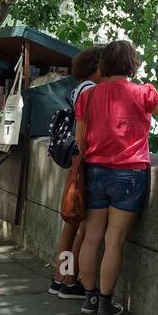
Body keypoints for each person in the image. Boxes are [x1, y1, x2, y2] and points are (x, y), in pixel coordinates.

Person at [73, 40, 158, 315]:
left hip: (95, 171)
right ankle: (106, 304)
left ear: (105, 64)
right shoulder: (142, 93)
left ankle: (89, 298)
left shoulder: (87, 97)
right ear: (131, 63)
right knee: (115, 241)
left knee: (91, 238)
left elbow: (79, 140)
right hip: (129, 174)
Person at [49, 45, 101, 297]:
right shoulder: (91, 91)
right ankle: (69, 278)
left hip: (74, 162)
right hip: (84, 164)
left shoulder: (78, 88)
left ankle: (60, 276)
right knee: (80, 226)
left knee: (70, 225)